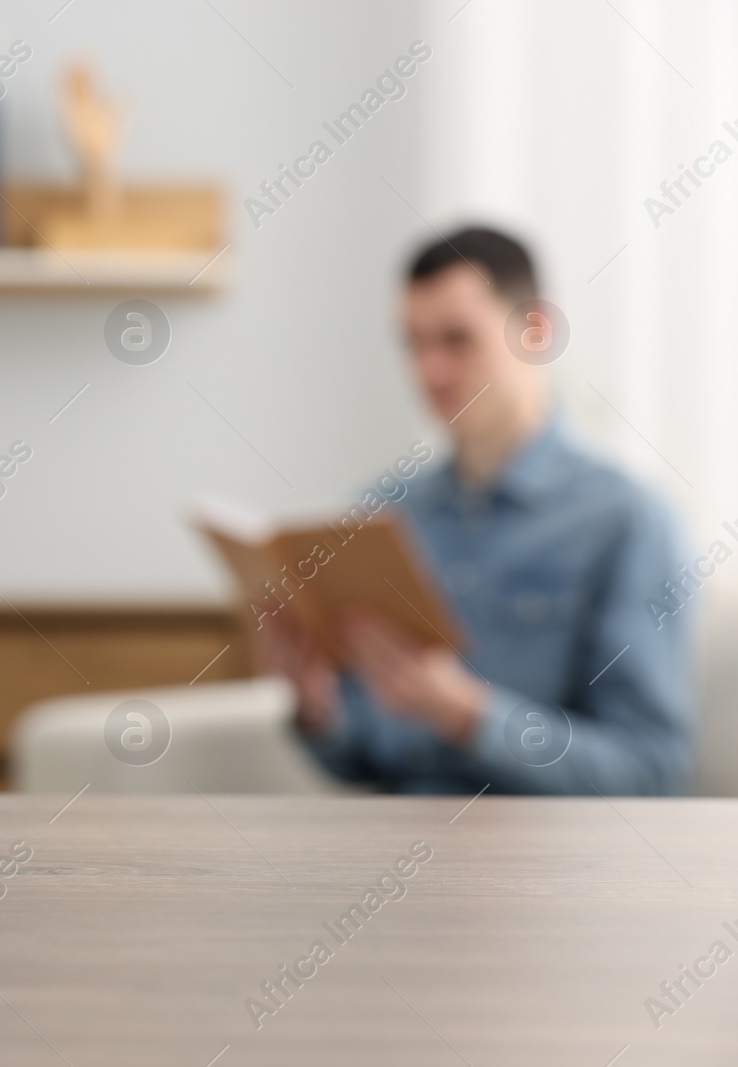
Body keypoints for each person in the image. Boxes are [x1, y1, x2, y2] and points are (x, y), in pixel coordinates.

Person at [265, 227, 694, 795]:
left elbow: (649, 772)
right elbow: (364, 761)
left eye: (457, 340)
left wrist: (469, 715)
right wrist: (316, 708)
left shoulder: (627, 521)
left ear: (535, 332)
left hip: (542, 868)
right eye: (413, 343)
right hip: (385, 851)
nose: (430, 372)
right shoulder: (381, 512)